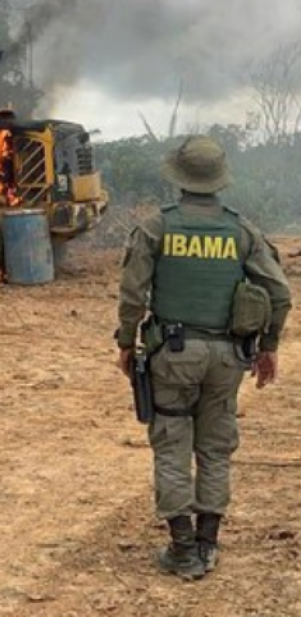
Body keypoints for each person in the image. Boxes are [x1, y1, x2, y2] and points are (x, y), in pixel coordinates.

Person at [115, 135, 291, 579]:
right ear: (218, 180)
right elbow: (280, 293)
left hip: (172, 355)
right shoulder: (242, 231)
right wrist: (269, 347)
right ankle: (208, 544)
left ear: (179, 179)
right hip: (229, 356)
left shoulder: (156, 227)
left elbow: (133, 294)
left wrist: (126, 342)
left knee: (172, 443)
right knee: (215, 447)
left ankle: (182, 549)